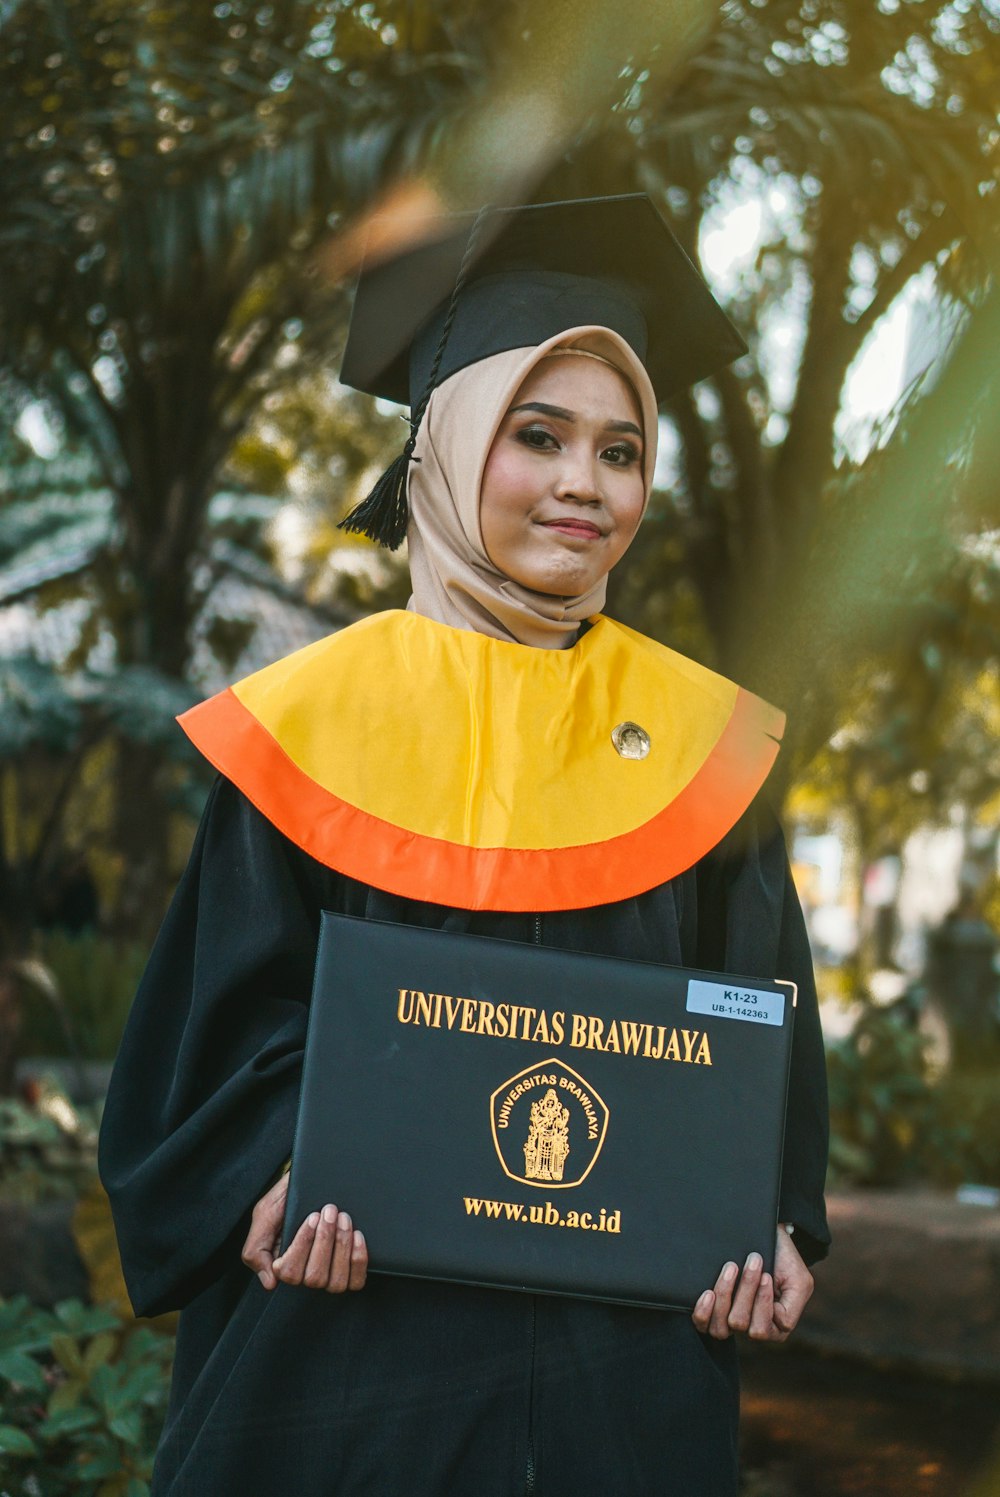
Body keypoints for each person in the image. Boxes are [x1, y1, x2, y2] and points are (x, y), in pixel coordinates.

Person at [99, 194, 829, 1496]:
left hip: (622, 1388)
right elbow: (206, 1047)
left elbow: (763, 1041)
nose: (581, 486)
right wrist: (263, 1181)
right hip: (349, 1374)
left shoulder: (709, 747)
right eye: (537, 435)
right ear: (445, 443)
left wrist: (767, 1231)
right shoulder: (309, 726)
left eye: (620, 450)